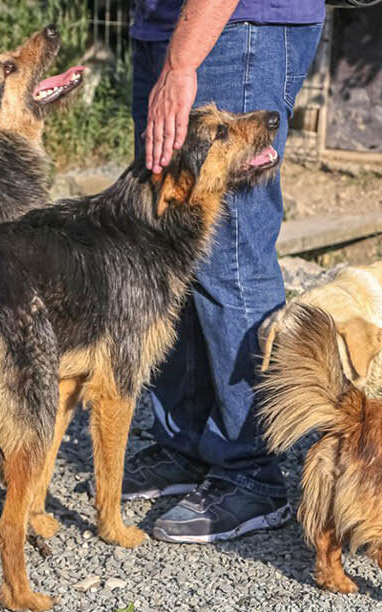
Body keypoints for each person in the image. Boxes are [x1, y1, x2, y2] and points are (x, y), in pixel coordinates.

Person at [123, 0, 325, 542]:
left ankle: (250, 468)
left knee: (231, 257)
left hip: (234, 26)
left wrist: (183, 62)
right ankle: (185, 444)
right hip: (167, 26)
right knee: (169, 240)